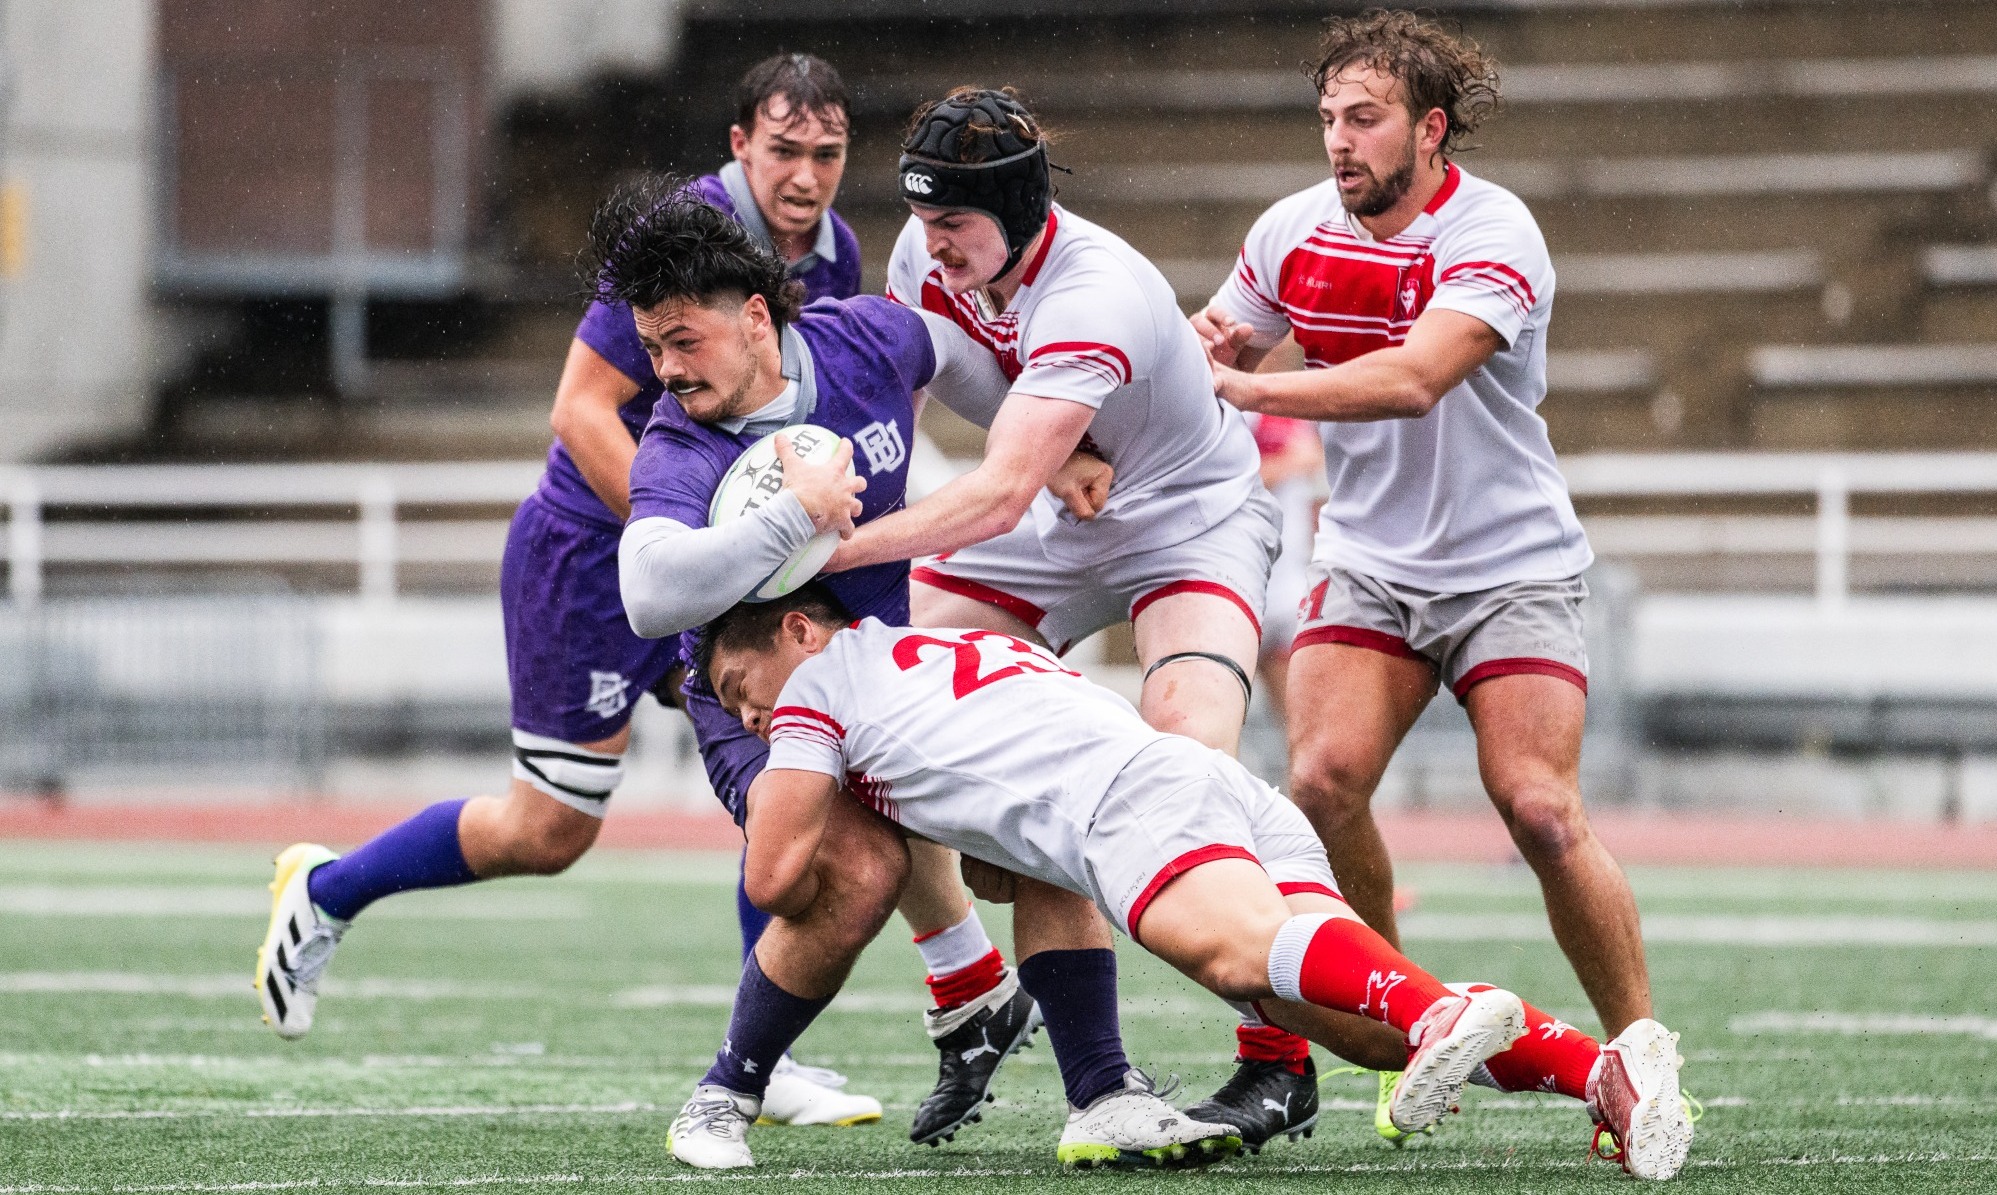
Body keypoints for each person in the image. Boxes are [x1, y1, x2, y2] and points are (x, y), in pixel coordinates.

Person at [256, 53, 903, 1127]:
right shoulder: (679, 239)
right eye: (783, 150)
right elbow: (579, 412)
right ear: (739, 144)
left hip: (720, 558)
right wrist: (693, 541)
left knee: (788, 753)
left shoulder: (833, 251)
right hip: (595, 556)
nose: (805, 175)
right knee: (549, 828)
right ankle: (325, 890)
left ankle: (764, 1053)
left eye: (827, 153)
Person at [700, 589, 1695, 1181]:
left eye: (740, 690)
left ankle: (1435, 1009)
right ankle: (1601, 1075)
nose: (747, 718)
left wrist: (839, 814)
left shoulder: (820, 686)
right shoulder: (953, 651)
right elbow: (1011, 859)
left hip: (1130, 805)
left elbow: (778, 871)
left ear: (796, 628)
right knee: (1350, 1026)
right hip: (1199, 783)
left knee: (1242, 952)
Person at [578, 181, 1163, 1167]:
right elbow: (647, 591)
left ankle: (1100, 1092)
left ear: (756, 317)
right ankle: (725, 1093)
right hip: (762, 699)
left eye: (684, 341)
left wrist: (1049, 448)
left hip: (885, 672)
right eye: (651, 349)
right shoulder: (680, 443)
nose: (665, 371)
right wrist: (789, 514)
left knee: (1037, 816)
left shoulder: (863, 339)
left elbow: (965, 362)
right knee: (854, 869)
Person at [1193, 9, 1657, 1139]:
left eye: (1364, 119)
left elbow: (1412, 378)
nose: (1338, 142)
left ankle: (1642, 1054)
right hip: (1370, 564)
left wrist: (1250, 394)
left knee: (1538, 808)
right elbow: (1205, 348)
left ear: (1429, 129)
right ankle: (1416, 1016)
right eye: (1326, 121)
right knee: (1317, 786)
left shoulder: (1494, 229)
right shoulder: (1289, 231)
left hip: (1510, 567)